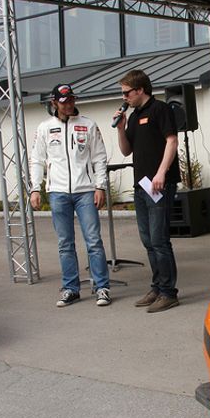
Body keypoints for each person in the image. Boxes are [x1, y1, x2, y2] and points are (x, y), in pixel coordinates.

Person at [29, 84, 112, 307]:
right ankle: (70, 288)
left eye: (71, 100)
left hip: (85, 191)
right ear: (54, 103)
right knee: (65, 243)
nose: (69, 105)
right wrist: (35, 188)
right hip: (57, 192)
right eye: (64, 102)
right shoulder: (45, 128)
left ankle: (102, 286)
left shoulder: (89, 125)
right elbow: (36, 160)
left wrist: (100, 186)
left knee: (93, 241)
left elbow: (99, 158)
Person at [114, 69, 180, 313]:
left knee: (160, 239)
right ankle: (157, 286)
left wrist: (161, 173)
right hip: (141, 186)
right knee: (148, 240)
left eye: (126, 93)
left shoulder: (160, 109)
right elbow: (125, 151)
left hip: (159, 183)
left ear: (140, 89)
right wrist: (121, 128)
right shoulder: (133, 115)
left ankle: (168, 292)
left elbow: (171, 141)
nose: (124, 98)